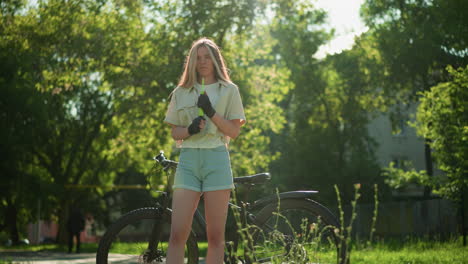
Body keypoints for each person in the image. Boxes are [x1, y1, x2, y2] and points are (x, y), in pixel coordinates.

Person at [164, 37, 246, 264]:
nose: (202, 62)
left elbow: (233, 131)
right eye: (197, 58)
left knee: (215, 237)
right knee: (177, 233)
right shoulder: (181, 92)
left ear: (215, 59)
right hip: (189, 160)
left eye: (207, 57)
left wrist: (210, 111)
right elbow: (174, 133)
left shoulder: (229, 90)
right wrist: (189, 129)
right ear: (191, 62)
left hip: (216, 159)